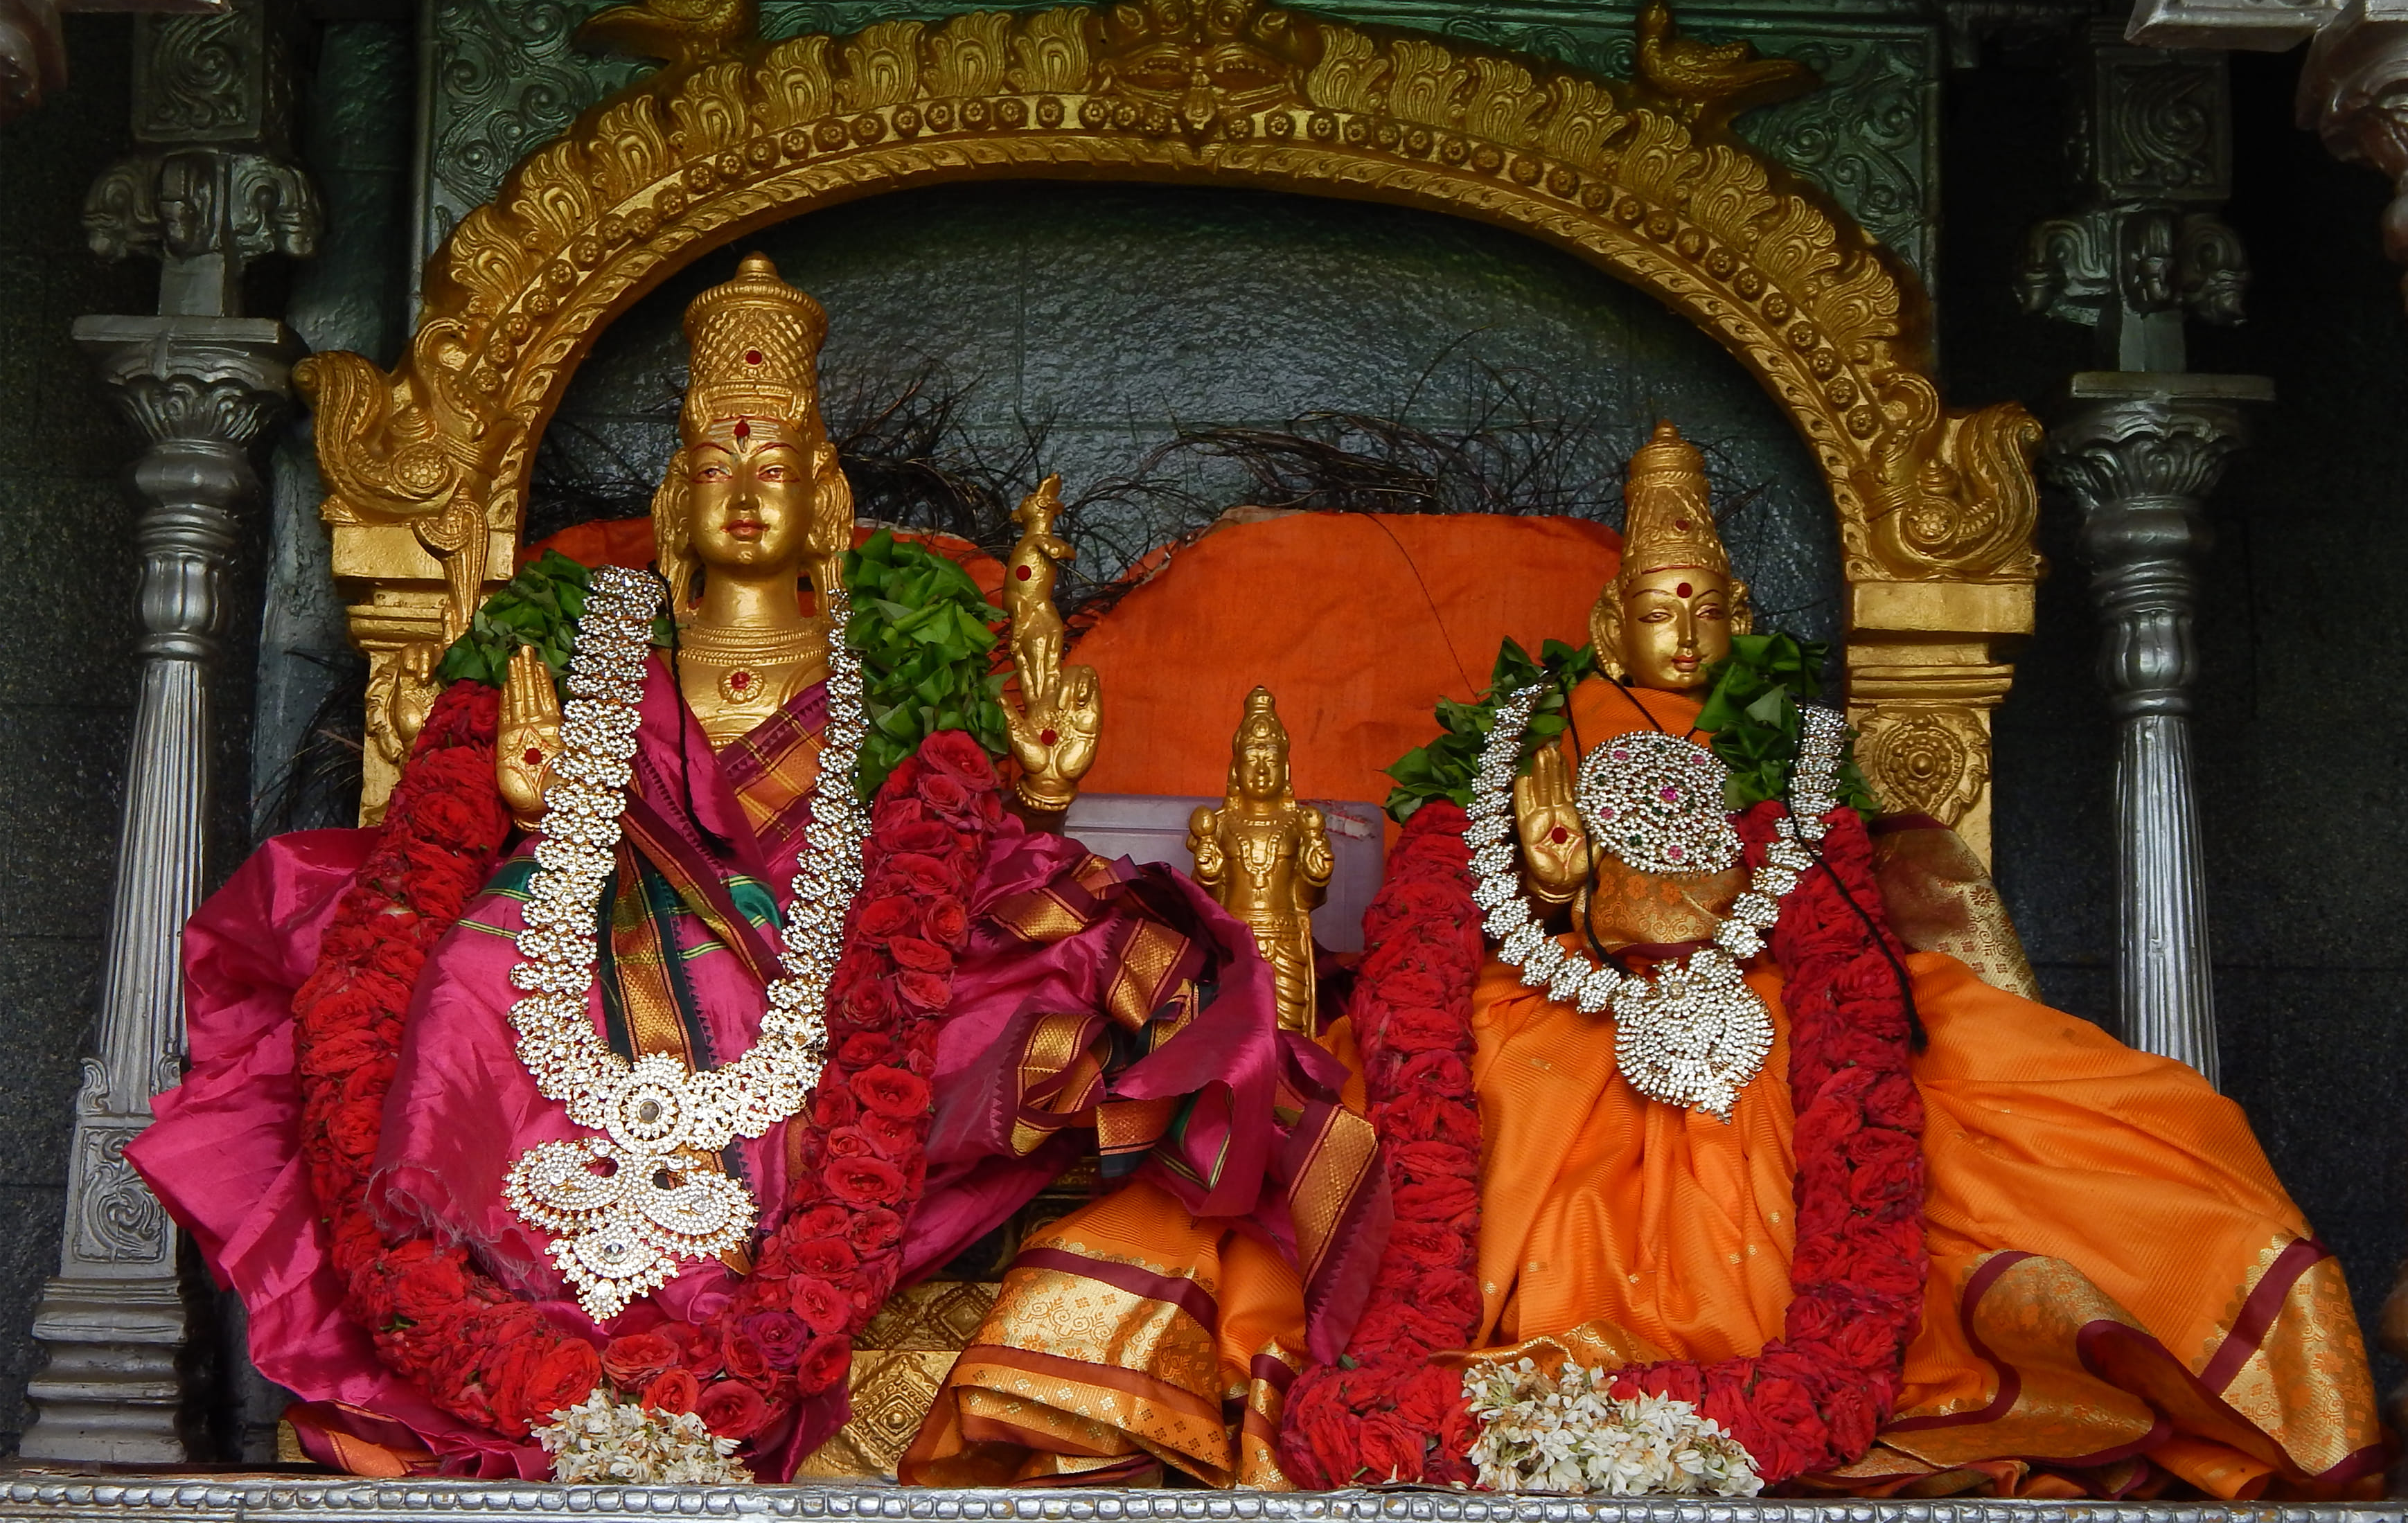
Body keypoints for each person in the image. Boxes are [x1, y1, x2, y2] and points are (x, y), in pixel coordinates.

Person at [130, 254, 1379, 1481]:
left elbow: (941, 839)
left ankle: (756, 1306)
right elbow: (550, 830)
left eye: (771, 467)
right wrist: (534, 795)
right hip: (601, 900)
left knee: (1044, 1002)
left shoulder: (894, 644)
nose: (741, 493)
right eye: (713, 463)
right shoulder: (603, 628)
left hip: (836, 944)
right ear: (676, 499)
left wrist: (1036, 780)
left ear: (822, 502)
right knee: (461, 970)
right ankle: (479, 1284)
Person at [1282, 422, 2382, 1500]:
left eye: (1708, 607)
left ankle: (1859, 1370)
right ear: (1610, 626)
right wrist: (1552, 882)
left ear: (1742, 620)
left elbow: (1840, 905)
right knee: (1501, 1099)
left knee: (2106, 1117)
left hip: (1774, 989)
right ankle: (1576, 1386)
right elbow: (1471, 894)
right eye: (1659, 609)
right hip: (1566, 993)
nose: (1684, 629)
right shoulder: (1542, 732)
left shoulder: (1781, 743)